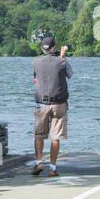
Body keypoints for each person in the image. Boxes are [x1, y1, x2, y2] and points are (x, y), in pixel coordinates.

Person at [33, 36, 72, 176]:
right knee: (55, 136)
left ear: (41, 48)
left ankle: (38, 162)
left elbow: (35, 79)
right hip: (59, 104)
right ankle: (52, 167)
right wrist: (62, 58)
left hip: (41, 104)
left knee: (39, 134)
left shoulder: (36, 62)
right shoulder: (61, 62)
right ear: (54, 48)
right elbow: (70, 74)